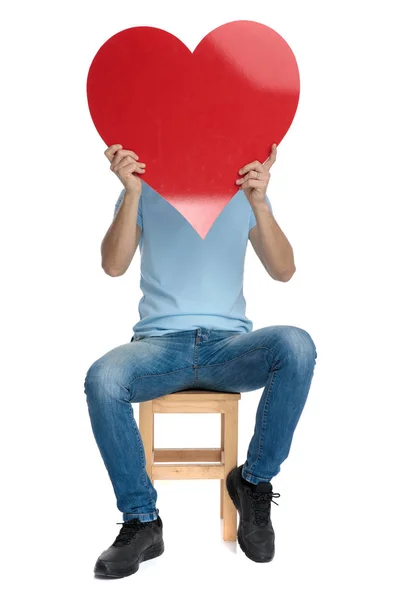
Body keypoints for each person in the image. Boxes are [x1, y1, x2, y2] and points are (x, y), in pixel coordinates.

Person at [84, 143, 317, 578]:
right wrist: (131, 192)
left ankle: (253, 483)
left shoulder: (242, 189)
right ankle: (141, 520)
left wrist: (260, 203)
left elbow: (284, 270)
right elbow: (112, 266)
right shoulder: (144, 187)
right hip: (159, 346)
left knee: (297, 345)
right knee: (103, 378)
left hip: (229, 347)